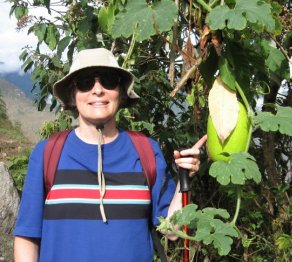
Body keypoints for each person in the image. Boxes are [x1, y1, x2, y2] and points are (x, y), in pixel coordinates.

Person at [13, 48, 207, 261]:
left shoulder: (146, 151)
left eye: (108, 80)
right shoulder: (48, 152)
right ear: (72, 94)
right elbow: (27, 236)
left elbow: (171, 230)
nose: (98, 90)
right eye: (86, 82)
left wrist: (183, 180)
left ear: (121, 92)